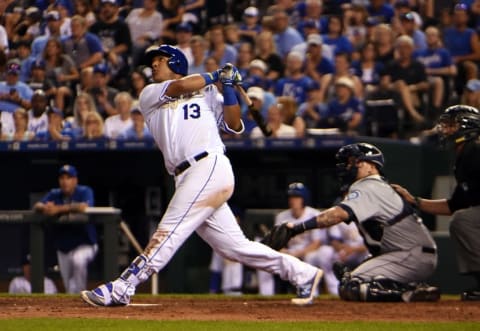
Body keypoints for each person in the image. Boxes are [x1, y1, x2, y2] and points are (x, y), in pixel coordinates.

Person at [80, 44, 322, 307]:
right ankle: (304, 274)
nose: (154, 65)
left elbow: (233, 125)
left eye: (160, 60)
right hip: (185, 174)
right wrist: (217, 75)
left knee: (170, 229)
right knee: (235, 247)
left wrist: (228, 88)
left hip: (208, 165)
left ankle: (124, 286)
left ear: (175, 62)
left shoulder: (207, 91)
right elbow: (178, 88)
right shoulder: (150, 93)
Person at [262, 142, 440, 302]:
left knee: (351, 287)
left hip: (410, 255)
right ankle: (413, 287)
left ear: (371, 167)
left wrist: (296, 228)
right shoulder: (376, 187)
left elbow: (338, 214)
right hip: (408, 254)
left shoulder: (369, 185)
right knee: (351, 282)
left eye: (355, 161)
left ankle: (409, 292)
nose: (349, 166)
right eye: (348, 162)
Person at [393, 105, 480, 301]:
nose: (445, 130)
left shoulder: (476, 149)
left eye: (451, 125)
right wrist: (414, 201)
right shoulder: (464, 157)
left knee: (465, 220)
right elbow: (453, 206)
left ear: (467, 126)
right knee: (463, 218)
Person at [33, 164, 98, 293]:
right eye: (62, 178)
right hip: (64, 247)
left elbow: (83, 207)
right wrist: (45, 208)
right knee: (68, 285)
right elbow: (37, 205)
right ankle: (74, 307)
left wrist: (58, 209)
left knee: (78, 260)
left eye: (68, 178)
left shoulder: (84, 191)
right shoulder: (54, 194)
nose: (65, 181)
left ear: (75, 180)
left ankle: (81, 297)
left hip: (85, 244)